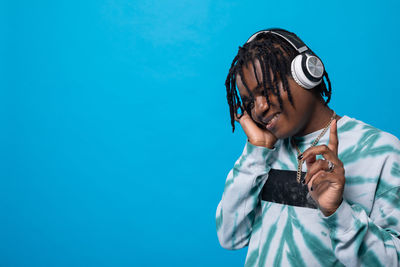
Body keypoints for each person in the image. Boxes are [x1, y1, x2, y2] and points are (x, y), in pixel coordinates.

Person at [216, 28, 400, 266]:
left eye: (267, 89)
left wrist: (338, 211)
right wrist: (256, 151)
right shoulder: (263, 152)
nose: (259, 108)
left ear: (307, 73)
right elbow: (230, 237)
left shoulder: (380, 151)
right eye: (250, 101)